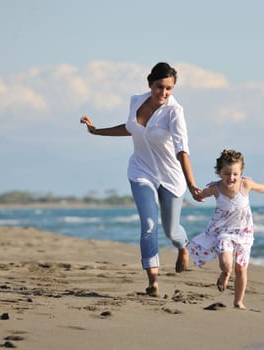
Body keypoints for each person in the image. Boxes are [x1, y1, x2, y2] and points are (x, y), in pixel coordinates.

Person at [80, 62, 203, 298]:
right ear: (150, 83)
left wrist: (192, 184)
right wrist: (96, 131)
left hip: (171, 176)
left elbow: (182, 150)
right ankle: (153, 282)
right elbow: (130, 129)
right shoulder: (136, 100)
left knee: (171, 230)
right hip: (141, 171)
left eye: (169, 89)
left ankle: (183, 246)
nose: (164, 93)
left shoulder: (175, 112)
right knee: (148, 225)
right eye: (159, 87)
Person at [186, 149, 264, 309]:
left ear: (241, 172)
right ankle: (225, 273)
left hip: (244, 233)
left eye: (235, 174)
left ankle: (238, 301)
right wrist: (196, 193)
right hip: (224, 232)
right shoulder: (216, 188)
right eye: (227, 174)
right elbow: (200, 194)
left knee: (241, 268)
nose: (231, 178)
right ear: (219, 172)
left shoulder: (246, 184)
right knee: (227, 264)